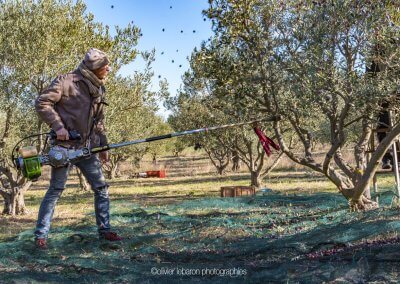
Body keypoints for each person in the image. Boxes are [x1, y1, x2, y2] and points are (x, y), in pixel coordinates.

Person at [34, 48, 123, 249]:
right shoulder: (66, 82)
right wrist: (58, 126)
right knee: (55, 190)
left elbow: (99, 121)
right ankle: (41, 236)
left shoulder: (99, 88)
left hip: (87, 149)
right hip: (64, 149)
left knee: (101, 187)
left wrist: (103, 146)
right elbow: (42, 103)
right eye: (105, 66)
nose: (108, 68)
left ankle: (105, 231)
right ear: (95, 68)